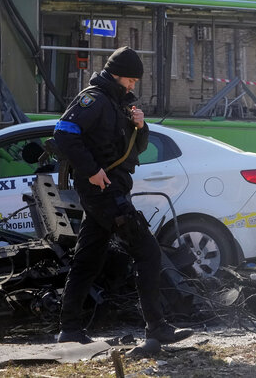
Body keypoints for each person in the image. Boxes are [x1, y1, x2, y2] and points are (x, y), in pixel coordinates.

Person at [51, 46, 191, 346]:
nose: (132, 86)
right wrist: (91, 170)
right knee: (148, 252)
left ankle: (70, 329)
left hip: (110, 189)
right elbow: (62, 133)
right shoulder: (95, 99)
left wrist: (141, 126)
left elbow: (135, 149)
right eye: (130, 80)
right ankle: (156, 327)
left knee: (88, 258)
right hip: (104, 191)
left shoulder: (118, 103)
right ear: (116, 75)